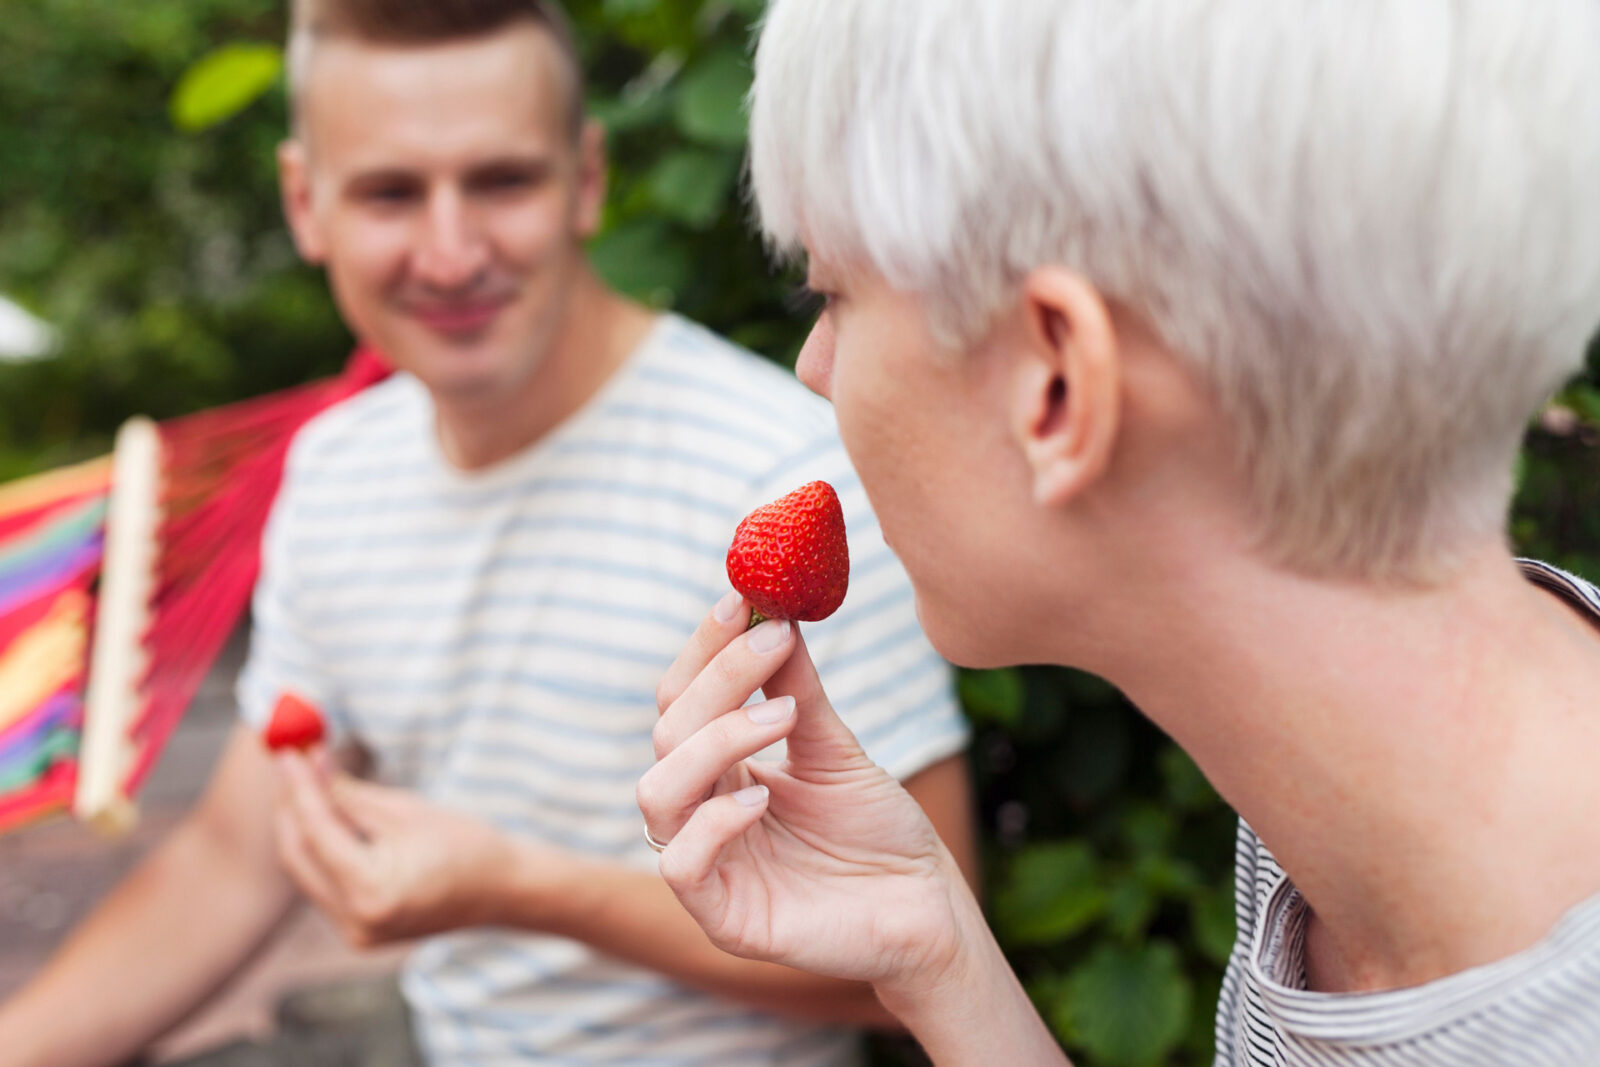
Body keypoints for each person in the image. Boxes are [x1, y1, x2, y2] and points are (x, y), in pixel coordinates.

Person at [0, 2, 976, 1065]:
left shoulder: (784, 474)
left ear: (587, 179)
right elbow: (233, 857)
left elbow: (914, 949)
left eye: (502, 181)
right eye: (390, 193)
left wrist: (519, 886)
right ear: (304, 203)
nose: (451, 251)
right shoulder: (334, 475)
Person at [638, 1, 1600, 1064]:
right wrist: (936, 948)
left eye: (833, 294)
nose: (814, 367)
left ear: (1057, 382)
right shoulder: (1349, 792)